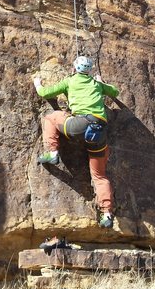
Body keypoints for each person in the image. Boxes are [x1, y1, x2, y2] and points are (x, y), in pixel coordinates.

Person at [33, 56, 119, 229]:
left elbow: (44, 93)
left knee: (50, 118)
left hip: (79, 125)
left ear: (74, 69)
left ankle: (52, 152)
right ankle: (107, 213)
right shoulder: (97, 85)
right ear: (90, 71)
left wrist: (37, 83)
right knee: (100, 176)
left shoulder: (69, 81)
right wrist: (102, 83)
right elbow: (115, 92)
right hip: (99, 133)